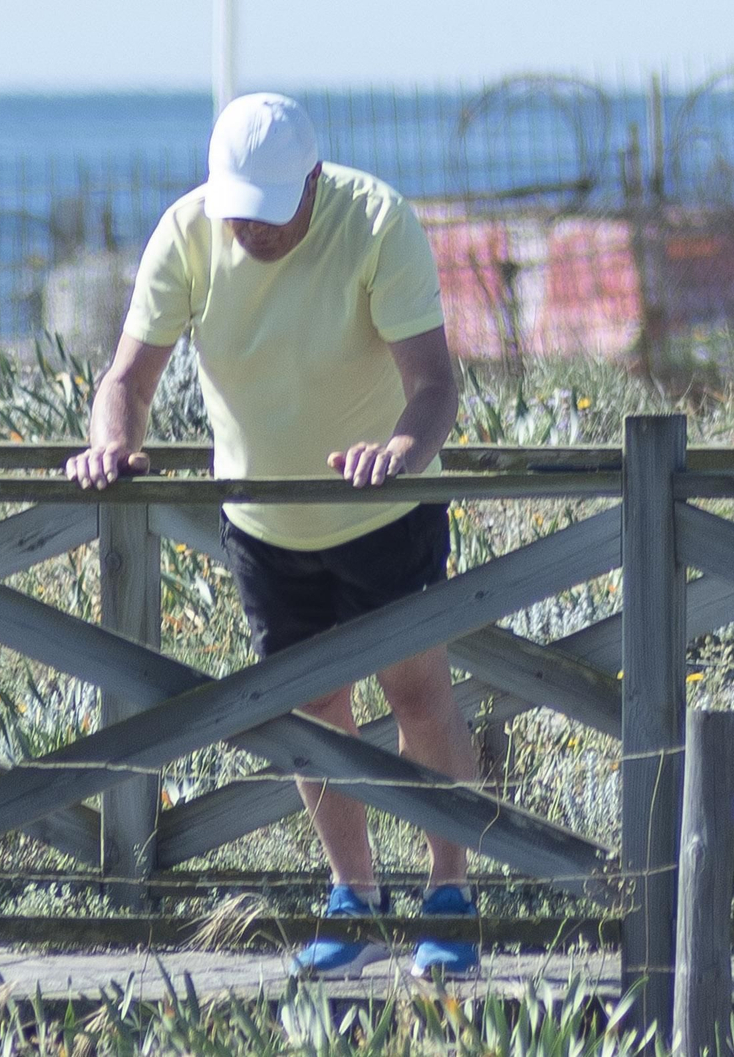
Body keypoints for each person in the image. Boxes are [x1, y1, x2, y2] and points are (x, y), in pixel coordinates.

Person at [65, 92, 481, 981]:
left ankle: (449, 896)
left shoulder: (377, 220)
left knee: (417, 698)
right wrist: (111, 445)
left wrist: (402, 452)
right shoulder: (186, 231)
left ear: (315, 184)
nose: (249, 228)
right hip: (261, 525)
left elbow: (435, 385)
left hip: (384, 511)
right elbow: (125, 382)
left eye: (270, 208)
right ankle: (354, 898)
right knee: (311, 710)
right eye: (236, 208)